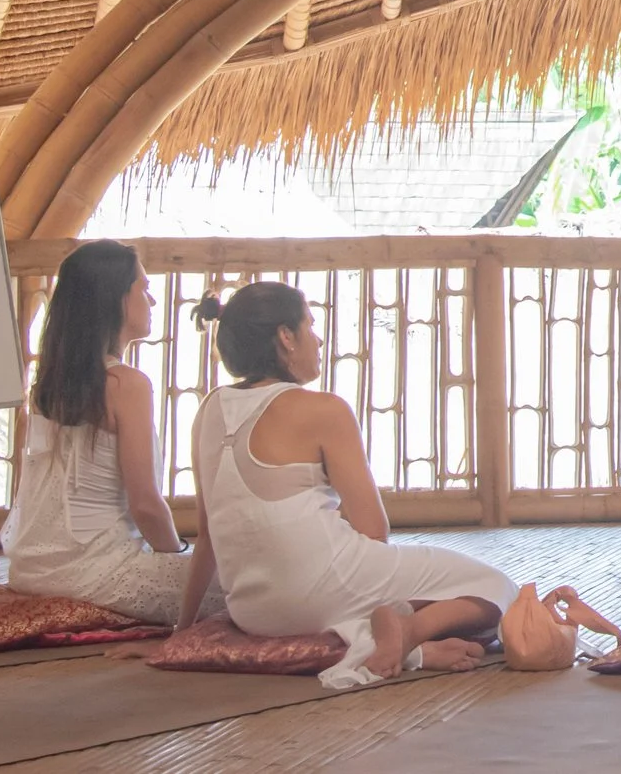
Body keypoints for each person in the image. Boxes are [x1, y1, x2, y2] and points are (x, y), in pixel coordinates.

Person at [180, 283, 514, 688]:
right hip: (322, 592)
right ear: (286, 337)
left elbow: (207, 535)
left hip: (252, 614)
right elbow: (374, 531)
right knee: (494, 586)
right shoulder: (323, 409)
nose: (318, 340)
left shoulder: (208, 410)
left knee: (396, 586)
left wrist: (182, 633)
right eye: (311, 325)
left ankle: (403, 643)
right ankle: (408, 634)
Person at [4, 241, 218, 625]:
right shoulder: (126, 384)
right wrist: (177, 560)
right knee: (250, 584)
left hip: (30, 572)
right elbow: (147, 507)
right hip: (94, 574)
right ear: (115, 299)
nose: (152, 301)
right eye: (143, 288)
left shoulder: (45, 388)